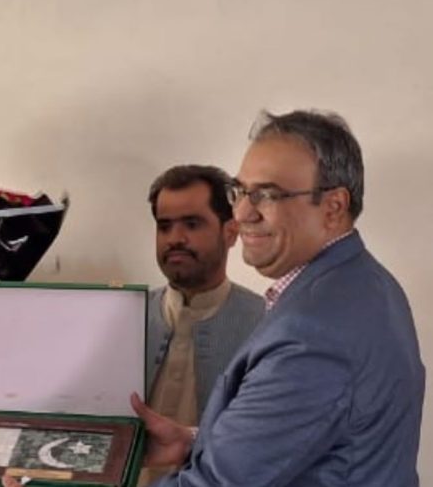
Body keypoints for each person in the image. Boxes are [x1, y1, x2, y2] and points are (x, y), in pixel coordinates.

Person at [130, 110, 425, 486]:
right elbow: (306, 438)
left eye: (267, 195)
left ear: (333, 207)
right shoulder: (365, 281)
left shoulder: (313, 333)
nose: (242, 213)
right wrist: (194, 441)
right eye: (240, 192)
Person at [142, 165, 264, 483]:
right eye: (164, 226)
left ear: (230, 233)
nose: (175, 239)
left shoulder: (265, 325)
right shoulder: (124, 318)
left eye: (192, 224)